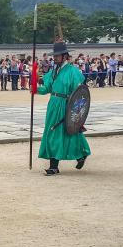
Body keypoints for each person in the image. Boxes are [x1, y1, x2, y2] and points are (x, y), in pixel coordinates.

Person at [37, 41, 91, 176]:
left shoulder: (73, 72)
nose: (55, 58)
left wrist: (75, 111)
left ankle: (79, 156)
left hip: (66, 105)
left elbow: (80, 93)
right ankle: (56, 165)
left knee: (69, 132)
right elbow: (47, 88)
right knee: (51, 133)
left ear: (65, 56)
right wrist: (36, 89)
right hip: (53, 105)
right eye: (54, 56)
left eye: (58, 56)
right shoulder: (53, 71)